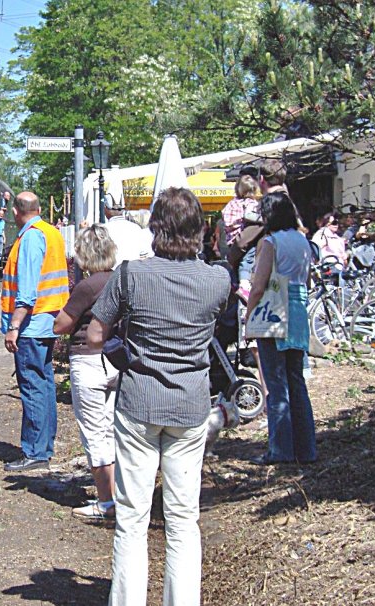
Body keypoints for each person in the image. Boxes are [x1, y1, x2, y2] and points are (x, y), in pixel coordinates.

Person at [88, 187, 230, 606]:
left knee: (132, 518)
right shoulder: (218, 279)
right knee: (184, 518)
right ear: (200, 229)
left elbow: (96, 333)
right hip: (190, 406)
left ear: (155, 229)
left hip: (138, 403)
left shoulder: (130, 274)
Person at [53, 224, 118, 521]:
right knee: (112, 429)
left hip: (89, 361)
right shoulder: (123, 280)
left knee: (94, 433)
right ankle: (120, 495)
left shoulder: (87, 287)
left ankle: (107, 502)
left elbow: (62, 325)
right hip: (117, 359)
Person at [1, 191, 69, 472]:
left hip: (30, 325)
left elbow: (27, 293)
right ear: (39, 209)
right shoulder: (51, 232)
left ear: (16, 212)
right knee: (44, 385)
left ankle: (35, 451)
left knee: (32, 387)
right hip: (48, 321)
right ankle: (44, 445)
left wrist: (14, 326)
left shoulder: (29, 238)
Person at [246, 192, 316, 465]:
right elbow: (306, 281)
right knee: (296, 382)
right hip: (297, 311)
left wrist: (248, 317)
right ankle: (306, 449)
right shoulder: (303, 241)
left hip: (273, 312)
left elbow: (259, 285)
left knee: (276, 385)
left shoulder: (270, 242)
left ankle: (280, 450)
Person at [102, 195, 150, 266]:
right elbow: (144, 256)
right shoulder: (136, 228)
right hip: (133, 273)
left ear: (106, 209)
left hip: (110, 274)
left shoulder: (102, 230)